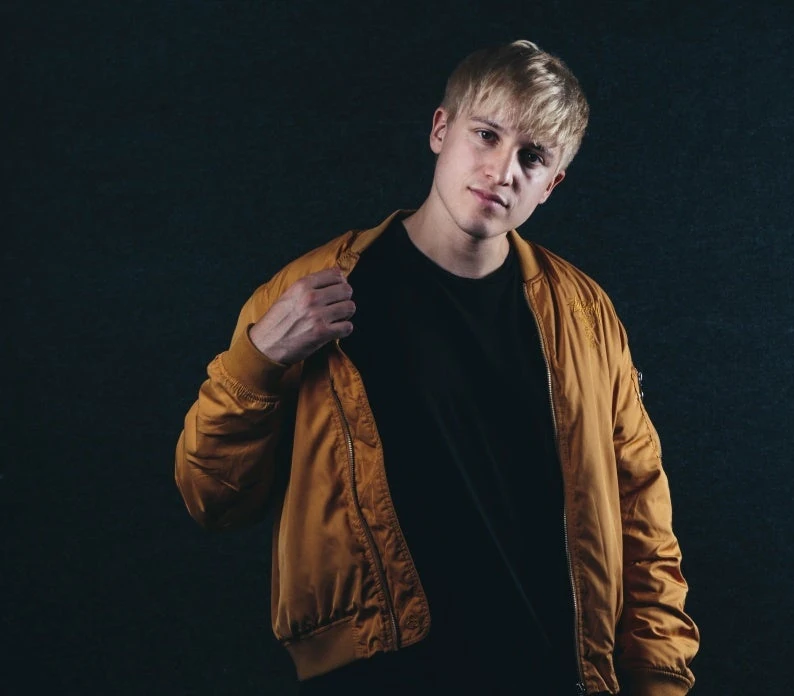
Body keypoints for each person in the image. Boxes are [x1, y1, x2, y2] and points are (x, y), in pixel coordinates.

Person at [175, 39, 699, 696]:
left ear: (552, 183)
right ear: (440, 130)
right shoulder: (310, 291)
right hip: (381, 677)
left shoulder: (584, 315)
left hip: (552, 674)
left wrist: (659, 681)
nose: (502, 171)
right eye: (487, 135)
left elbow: (641, 511)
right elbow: (211, 499)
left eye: (532, 157)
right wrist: (258, 363)